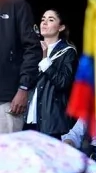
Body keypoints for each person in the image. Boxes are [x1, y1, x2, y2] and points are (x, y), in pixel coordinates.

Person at [26, 9, 77, 138]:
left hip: (52, 120)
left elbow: (63, 82)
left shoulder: (68, 52)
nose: (44, 23)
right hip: (29, 116)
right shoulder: (32, 50)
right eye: (43, 19)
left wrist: (45, 60)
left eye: (51, 20)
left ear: (61, 27)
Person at [0, 0, 41, 134]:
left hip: (7, 100)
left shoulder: (16, 4)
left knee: (5, 155)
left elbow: (32, 49)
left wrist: (23, 87)